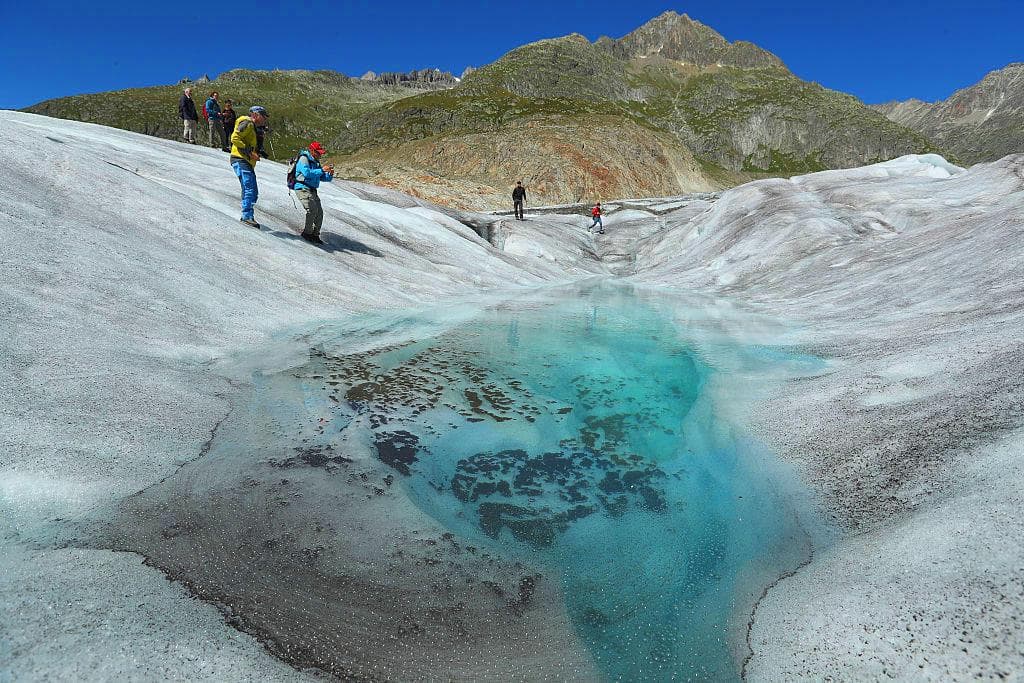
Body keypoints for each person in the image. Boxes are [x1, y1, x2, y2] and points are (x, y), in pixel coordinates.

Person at [230, 105, 269, 228]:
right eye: (264, 116)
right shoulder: (247, 123)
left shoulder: (253, 127)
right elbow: (235, 138)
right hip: (240, 159)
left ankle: (248, 215)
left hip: (245, 161)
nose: (265, 119)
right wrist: (250, 152)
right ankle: (247, 216)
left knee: (253, 191)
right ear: (256, 115)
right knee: (249, 188)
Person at [293, 141, 335, 244]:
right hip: (302, 188)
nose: (320, 155)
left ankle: (315, 235)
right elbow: (306, 173)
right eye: (318, 152)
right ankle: (307, 233)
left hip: (312, 190)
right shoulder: (304, 159)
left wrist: (329, 174)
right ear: (312, 150)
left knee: (319, 213)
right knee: (312, 209)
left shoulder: (315, 162)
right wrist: (322, 170)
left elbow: (322, 177)